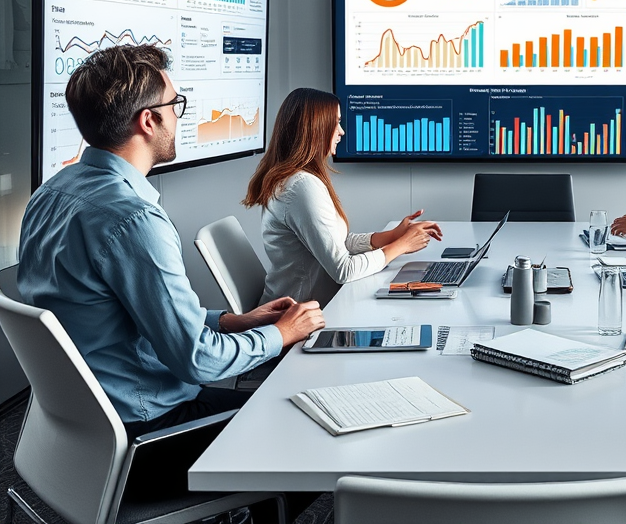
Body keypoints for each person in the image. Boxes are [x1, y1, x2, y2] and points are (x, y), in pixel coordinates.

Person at [17, 44, 326, 440]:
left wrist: (234, 322)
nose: (179, 117)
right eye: (175, 105)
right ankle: (242, 498)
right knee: (310, 426)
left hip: (75, 433)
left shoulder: (49, 194)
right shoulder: (133, 220)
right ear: (148, 121)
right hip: (145, 431)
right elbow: (196, 360)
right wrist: (281, 334)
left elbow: (125, 317)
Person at [243, 87, 442, 307]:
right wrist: (401, 246)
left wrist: (392, 236)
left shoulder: (297, 180)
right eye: (336, 122)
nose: (341, 132)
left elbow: (335, 243)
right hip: (296, 316)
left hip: (309, 308)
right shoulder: (301, 187)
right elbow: (343, 270)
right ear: (315, 128)